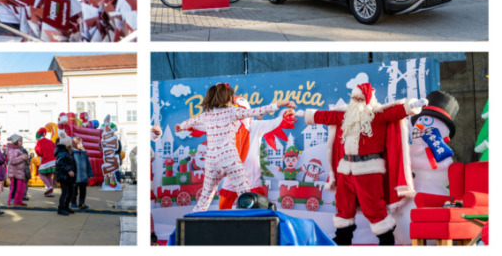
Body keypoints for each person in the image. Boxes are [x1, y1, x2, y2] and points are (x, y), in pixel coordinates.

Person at [304, 82, 424, 245]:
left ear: (367, 99)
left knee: (373, 206)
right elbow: (324, 116)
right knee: (343, 205)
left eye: (360, 98)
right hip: (346, 169)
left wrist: (414, 105)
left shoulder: (379, 115)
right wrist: (304, 115)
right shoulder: (345, 116)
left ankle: (386, 240)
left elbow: (398, 111)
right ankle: (342, 239)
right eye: (354, 98)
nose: (356, 101)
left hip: (369, 170)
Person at [175, 84, 294, 213]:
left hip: (211, 162)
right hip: (229, 159)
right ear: (229, 98)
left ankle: (192, 224)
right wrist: (280, 104)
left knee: (205, 198)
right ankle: (252, 222)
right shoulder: (231, 111)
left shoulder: (206, 115)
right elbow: (256, 111)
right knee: (246, 193)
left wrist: (180, 126)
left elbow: (191, 122)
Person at [54, 133, 76, 216]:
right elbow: (60, 163)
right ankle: (61, 208)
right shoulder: (62, 153)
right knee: (65, 193)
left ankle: (66, 206)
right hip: (63, 176)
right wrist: (69, 170)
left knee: (71, 192)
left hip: (68, 176)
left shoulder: (68, 152)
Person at [72, 137, 95, 209]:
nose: (81, 144)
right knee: (74, 192)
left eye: (81, 143)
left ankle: (82, 203)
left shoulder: (84, 154)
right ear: (74, 145)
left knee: (83, 192)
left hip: (83, 177)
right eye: (79, 143)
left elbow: (88, 165)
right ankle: (73, 202)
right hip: (75, 177)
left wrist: (90, 174)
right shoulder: (72, 154)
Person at [5, 134, 28, 207]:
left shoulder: (18, 149)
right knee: (15, 188)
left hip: (20, 173)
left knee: (21, 188)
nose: (22, 142)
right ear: (15, 142)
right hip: (15, 174)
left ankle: (18, 201)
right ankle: (12, 201)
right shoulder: (13, 150)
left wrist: (25, 158)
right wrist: (22, 157)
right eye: (20, 141)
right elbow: (12, 161)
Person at [34, 128, 57, 197]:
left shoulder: (39, 142)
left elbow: (39, 152)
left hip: (47, 159)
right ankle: (51, 192)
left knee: (41, 173)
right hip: (54, 160)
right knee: (49, 175)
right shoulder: (50, 141)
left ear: (37, 137)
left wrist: (36, 149)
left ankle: (49, 187)